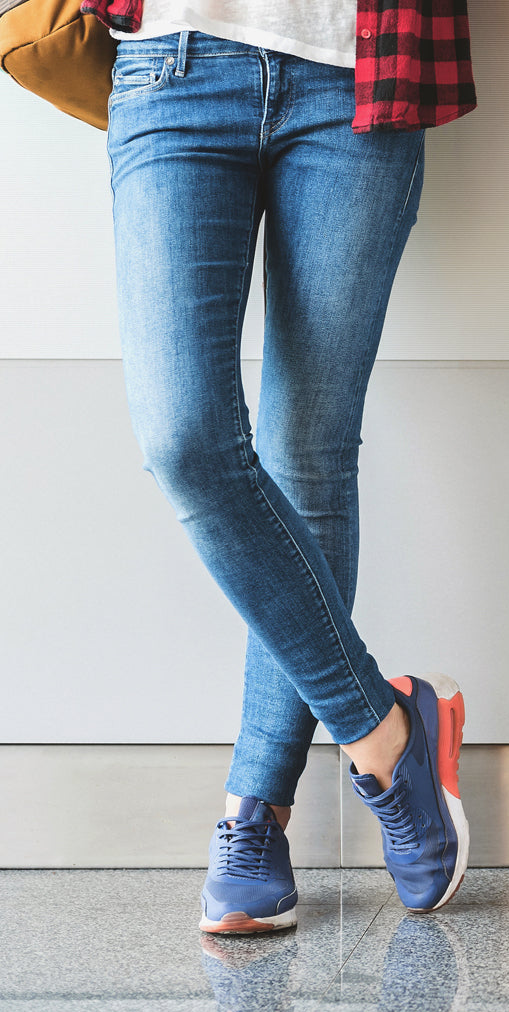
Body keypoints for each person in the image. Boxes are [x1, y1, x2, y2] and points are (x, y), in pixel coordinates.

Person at [85, 0, 475, 933]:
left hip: (359, 79)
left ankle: (255, 813)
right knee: (184, 442)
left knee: (308, 456)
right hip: (173, 69)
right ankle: (385, 730)